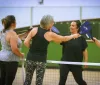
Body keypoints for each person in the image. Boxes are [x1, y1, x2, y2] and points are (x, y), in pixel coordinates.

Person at [24, 15, 79, 85]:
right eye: (52, 22)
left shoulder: (34, 29)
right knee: (39, 82)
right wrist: (73, 36)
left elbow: (26, 42)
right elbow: (64, 38)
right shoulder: (50, 34)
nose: (53, 23)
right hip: (41, 60)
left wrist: (32, 48)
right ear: (48, 23)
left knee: (27, 80)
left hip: (30, 58)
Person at [59, 20, 88, 85]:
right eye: (70, 25)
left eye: (73, 25)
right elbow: (58, 41)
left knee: (79, 81)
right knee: (62, 81)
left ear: (77, 28)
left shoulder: (82, 39)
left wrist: (86, 61)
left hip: (76, 63)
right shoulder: (66, 37)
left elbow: (84, 50)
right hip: (65, 62)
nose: (70, 27)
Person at [0, 15, 24, 85]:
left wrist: (25, 34)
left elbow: (13, 38)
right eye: (15, 21)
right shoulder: (12, 33)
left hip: (2, 58)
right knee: (8, 82)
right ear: (13, 23)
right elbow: (14, 49)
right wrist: (21, 55)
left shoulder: (3, 32)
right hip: (11, 60)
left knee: (2, 80)